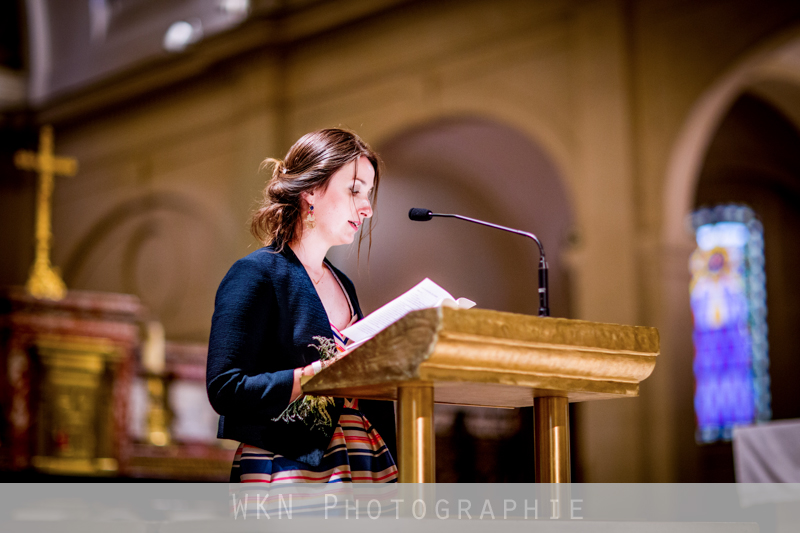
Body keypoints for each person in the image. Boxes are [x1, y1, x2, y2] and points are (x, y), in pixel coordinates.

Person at [206, 128, 398, 483]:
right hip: (289, 468)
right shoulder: (255, 274)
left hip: (364, 459)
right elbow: (226, 389)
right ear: (311, 190)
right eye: (355, 190)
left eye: (368, 194)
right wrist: (319, 373)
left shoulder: (344, 284)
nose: (368, 209)